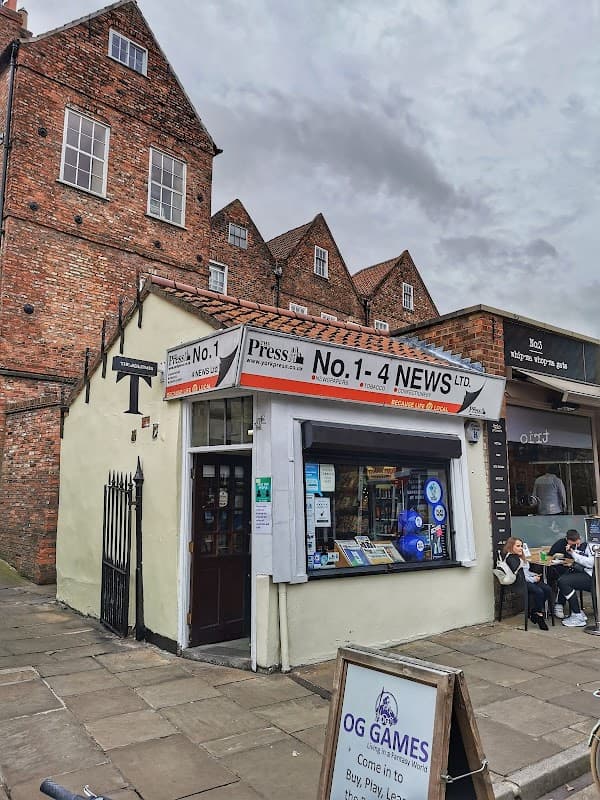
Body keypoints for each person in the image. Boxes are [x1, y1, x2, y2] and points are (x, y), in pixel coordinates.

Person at [503, 537, 552, 630]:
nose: (521, 548)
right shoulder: (511, 559)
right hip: (519, 583)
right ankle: (539, 615)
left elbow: (526, 571)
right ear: (511, 547)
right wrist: (533, 579)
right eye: (518, 546)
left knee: (547, 589)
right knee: (539, 591)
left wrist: (534, 575)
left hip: (528, 579)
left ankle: (534, 611)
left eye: (521, 546)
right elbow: (520, 576)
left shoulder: (520, 556)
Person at [555, 535, 595, 627]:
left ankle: (577, 615)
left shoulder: (594, 543)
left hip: (593, 577)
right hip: (591, 574)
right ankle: (575, 611)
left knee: (563, 581)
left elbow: (590, 563)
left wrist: (574, 554)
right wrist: (574, 552)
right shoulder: (592, 542)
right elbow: (587, 556)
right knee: (566, 578)